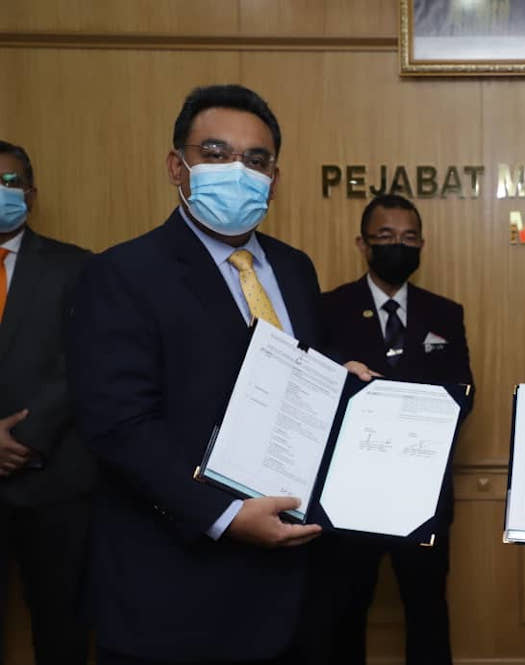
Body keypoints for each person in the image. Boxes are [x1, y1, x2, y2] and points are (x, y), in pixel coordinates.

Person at [68, 84, 371, 665]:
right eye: (216, 153)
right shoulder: (123, 273)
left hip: (291, 590)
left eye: (256, 161)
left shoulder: (293, 268)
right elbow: (118, 423)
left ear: (274, 179)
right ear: (176, 167)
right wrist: (223, 515)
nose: (239, 171)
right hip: (172, 595)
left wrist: (338, 380)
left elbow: (284, 375)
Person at [311, 194, 473, 665]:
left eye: (407, 238)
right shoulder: (329, 308)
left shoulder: (446, 313)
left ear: (422, 243)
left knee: (427, 609)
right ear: (363, 244)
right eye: (385, 237)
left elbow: (464, 392)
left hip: (422, 489)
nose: (397, 246)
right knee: (345, 610)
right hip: (349, 490)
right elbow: (315, 387)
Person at [0, 140, 94, 665]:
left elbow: (85, 365)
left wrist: (25, 441)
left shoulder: (77, 267)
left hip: (53, 482)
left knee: (62, 632)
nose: (1, 192)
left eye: (10, 183)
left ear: (31, 194)